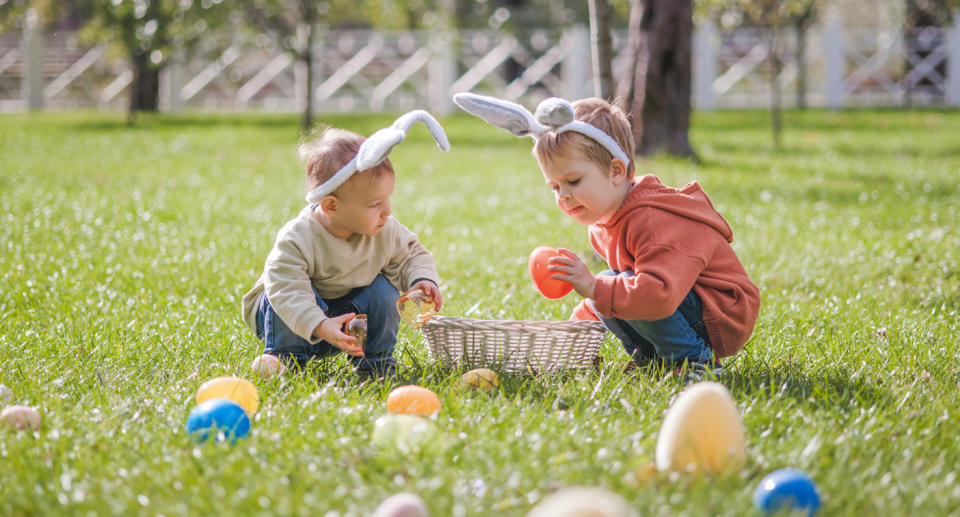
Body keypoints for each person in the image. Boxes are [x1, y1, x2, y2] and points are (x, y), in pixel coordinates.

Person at [453, 93, 760, 374]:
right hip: (683, 304)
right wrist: (572, 331)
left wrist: (594, 287)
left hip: (721, 315)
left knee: (616, 286)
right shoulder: (603, 223)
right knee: (613, 285)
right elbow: (617, 288)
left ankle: (693, 361)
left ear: (616, 171)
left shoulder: (652, 220)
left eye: (573, 181)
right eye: (555, 187)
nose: (563, 196)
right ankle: (652, 358)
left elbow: (657, 296)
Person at [241, 111, 449, 377]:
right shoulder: (299, 237)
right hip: (295, 317)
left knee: (384, 292)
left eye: (387, 200)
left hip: (347, 321)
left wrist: (421, 279)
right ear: (331, 206)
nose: (387, 211)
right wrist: (319, 324)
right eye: (375, 204)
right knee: (279, 294)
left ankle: (376, 362)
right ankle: (285, 359)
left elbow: (411, 255)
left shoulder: (384, 228)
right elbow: (285, 287)